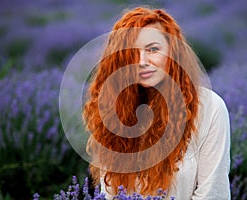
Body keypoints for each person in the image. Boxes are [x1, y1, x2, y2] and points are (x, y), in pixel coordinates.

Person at [83, 6, 231, 199]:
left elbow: (213, 193)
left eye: (153, 49)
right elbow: (110, 194)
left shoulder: (209, 108)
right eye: (132, 53)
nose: (142, 61)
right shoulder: (114, 110)